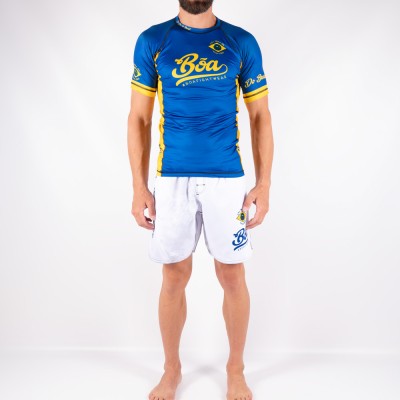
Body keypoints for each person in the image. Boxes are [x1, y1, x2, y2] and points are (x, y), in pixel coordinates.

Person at [127, 0, 274, 399]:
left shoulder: (240, 42)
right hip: (172, 178)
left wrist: (264, 184)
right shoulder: (154, 41)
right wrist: (139, 186)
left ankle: (236, 369)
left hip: (227, 179)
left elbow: (260, 115)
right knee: (174, 275)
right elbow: (139, 117)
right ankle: (171, 369)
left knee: (232, 275)